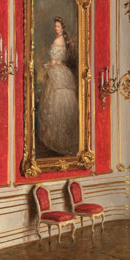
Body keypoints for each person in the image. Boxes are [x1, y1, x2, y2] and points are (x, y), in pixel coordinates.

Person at [37, 16, 78, 156]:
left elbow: (54, 61)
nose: (56, 29)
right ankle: (65, 139)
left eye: (58, 26)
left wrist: (49, 66)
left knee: (54, 105)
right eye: (55, 26)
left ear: (62, 28)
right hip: (64, 72)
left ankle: (56, 139)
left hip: (57, 71)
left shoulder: (56, 41)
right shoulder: (65, 42)